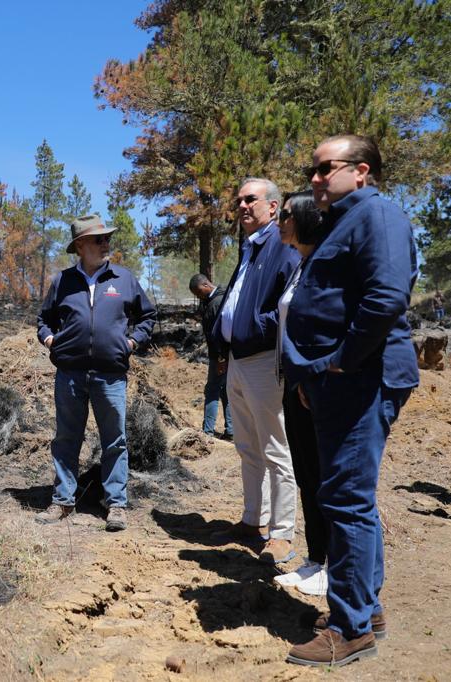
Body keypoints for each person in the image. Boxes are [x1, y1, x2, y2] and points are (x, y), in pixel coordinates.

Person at [283, 135, 419, 667]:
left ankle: (351, 629)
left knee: (345, 500)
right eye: (313, 170)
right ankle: (365, 608)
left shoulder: (378, 216)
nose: (314, 178)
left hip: (362, 378)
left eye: (324, 168)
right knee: (346, 497)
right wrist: (314, 373)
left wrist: (340, 361)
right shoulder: (344, 219)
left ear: (361, 170)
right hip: (335, 380)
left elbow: (386, 297)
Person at [36, 213, 156, 532]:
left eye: (107, 238)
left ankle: (116, 504)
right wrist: (50, 340)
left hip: (110, 375)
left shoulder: (124, 279)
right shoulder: (62, 281)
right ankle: (63, 501)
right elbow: (44, 320)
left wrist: (130, 343)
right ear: (80, 245)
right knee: (66, 439)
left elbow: (148, 317)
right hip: (70, 374)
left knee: (115, 440)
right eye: (99, 239)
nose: (106, 244)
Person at [210, 178, 300, 564]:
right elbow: (234, 301)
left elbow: (288, 305)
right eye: (240, 201)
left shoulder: (282, 247)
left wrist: (252, 328)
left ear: (274, 207)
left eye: (251, 199)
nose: (242, 205)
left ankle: (282, 533)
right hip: (237, 361)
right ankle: (253, 520)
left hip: (264, 360)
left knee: (275, 449)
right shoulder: (248, 249)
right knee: (247, 446)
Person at [271, 191, 329, 596]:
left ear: (307, 217)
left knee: (324, 477)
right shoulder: (300, 264)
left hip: (317, 388)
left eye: (287, 214)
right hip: (295, 386)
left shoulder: (324, 263)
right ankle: (316, 560)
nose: (280, 220)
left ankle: (334, 567)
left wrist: (313, 377)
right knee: (308, 475)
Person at [188, 274, 233, 440]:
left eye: (199, 292)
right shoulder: (221, 297)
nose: (198, 296)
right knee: (226, 391)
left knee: (212, 390)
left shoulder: (216, 303)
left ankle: (207, 432)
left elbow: (219, 333)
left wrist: (221, 359)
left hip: (220, 356)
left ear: (206, 285)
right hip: (227, 355)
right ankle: (231, 430)